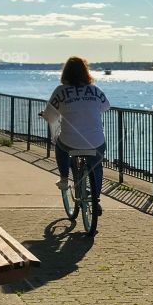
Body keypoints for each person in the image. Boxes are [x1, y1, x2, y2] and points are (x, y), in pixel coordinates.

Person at [40, 56, 110, 215]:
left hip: (70, 141)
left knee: (59, 144)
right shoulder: (95, 90)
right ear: (86, 72)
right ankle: (96, 200)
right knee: (96, 166)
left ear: (66, 72)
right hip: (95, 141)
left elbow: (51, 116)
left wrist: (46, 115)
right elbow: (106, 106)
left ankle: (64, 179)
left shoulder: (61, 91)